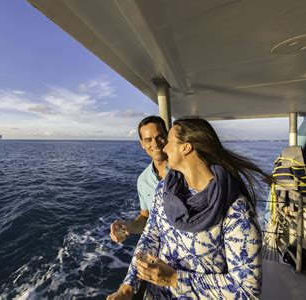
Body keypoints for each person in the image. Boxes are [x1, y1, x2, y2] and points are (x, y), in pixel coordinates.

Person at [107, 117, 272, 299]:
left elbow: (247, 290)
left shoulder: (236, 209)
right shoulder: (165, 189)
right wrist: (127, 287)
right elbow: (151, 236)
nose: (164, 147)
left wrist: (174, 279)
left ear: (186, 147)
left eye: (167, 141)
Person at [110, 116, 169, 243]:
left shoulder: (185, 168)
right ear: (142, 144)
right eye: (148, 140)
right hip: (164, 247)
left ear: (168, 136)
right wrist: (127, 227)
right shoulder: (143, 180)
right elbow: (146, 217)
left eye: (160, 137)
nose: (155, 143)